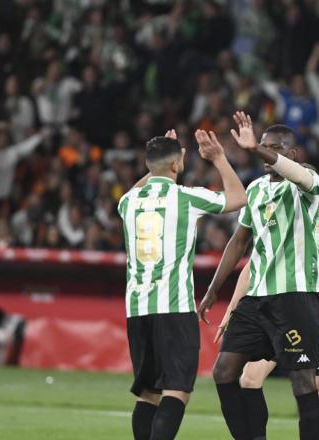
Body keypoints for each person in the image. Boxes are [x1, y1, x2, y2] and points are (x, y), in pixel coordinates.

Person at [199, 112, 319, 440]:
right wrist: (214, 289)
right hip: (256, 299)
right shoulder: (254, 190)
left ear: (292, 153)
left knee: (302, 382)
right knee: (224, 371)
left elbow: (299, 175)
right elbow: (239, 241)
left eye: (274, 148)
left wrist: (255, 147)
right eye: (263, 147)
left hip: (295, 296)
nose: (265, 154)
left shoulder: (307, 184)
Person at [118, 129, 247, 440]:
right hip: (173, 309)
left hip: (137, 311)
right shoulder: (185, 197)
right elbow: (239, 198)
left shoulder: (127, 201)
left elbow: (144, 183)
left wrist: (161, 160)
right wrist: (218, 158)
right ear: (176, 165)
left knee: (148, 394)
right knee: (177, 392)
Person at [215, 206, 319, 440]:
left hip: (313, 318)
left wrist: (314, 296)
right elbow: (251, 269)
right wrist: (231, 309)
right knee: (249, 379)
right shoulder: (274, 220)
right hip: (270, 316)